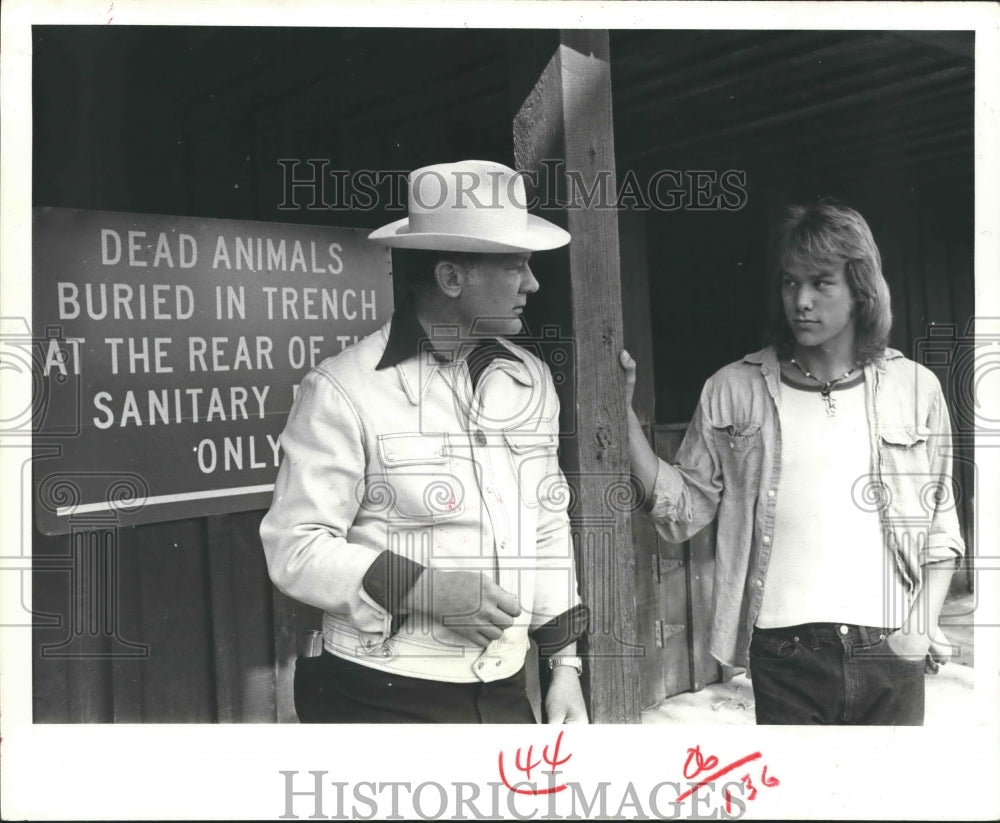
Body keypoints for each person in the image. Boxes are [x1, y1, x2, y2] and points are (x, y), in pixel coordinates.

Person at [261, 160, 588, 724]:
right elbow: (295, 547)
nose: (532, 284)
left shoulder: (529, 378)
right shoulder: (343, 388)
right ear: (452, 278)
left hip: (506, 688)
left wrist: (564, 668)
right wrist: (422, 588)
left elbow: (548, 521)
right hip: (382, 692)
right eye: (515, 267)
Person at [620, 201, 964, 725]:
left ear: (861, 289)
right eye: (788, 283)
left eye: (821, 283)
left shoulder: (915, 389)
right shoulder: (733, 389)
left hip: (891, 645)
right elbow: (682, 508)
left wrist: (918, 628)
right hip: (784, 652)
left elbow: (941, 527)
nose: (800, 301)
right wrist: (621, 419)